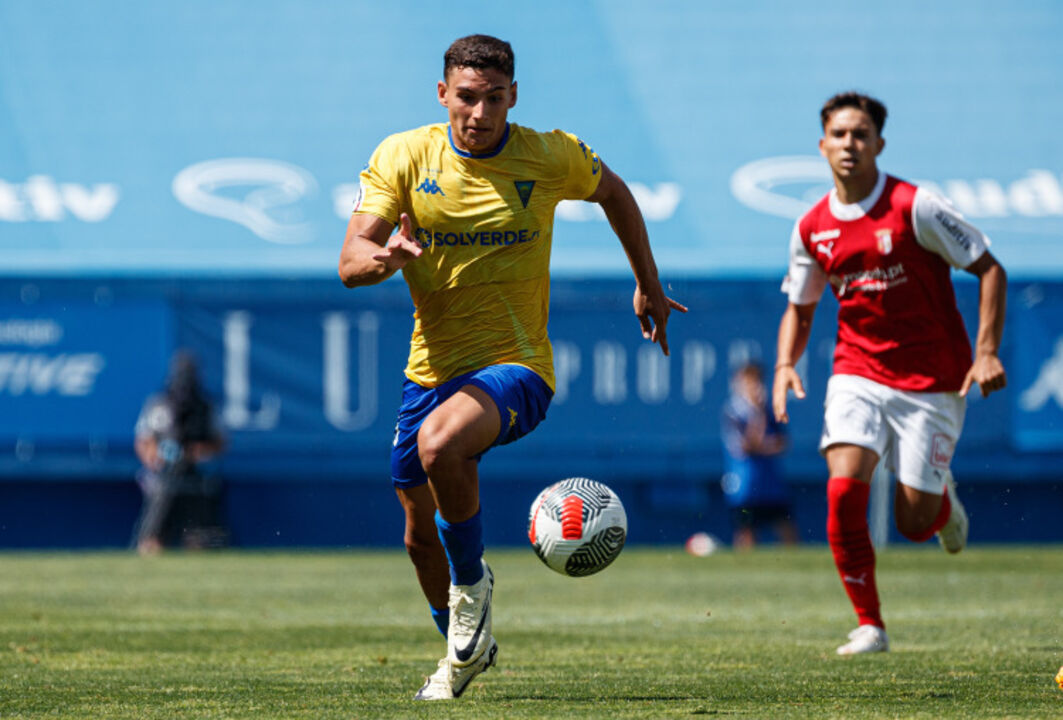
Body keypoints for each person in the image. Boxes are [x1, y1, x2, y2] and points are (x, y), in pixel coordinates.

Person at [338, 34, 685, 700]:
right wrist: (390, 258)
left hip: (517, 366)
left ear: (512, 98)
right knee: (416, 535)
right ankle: (463, 645)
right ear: (443, 94)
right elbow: (351, 262)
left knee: (442, 446)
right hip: (429, 370)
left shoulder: (548, 153)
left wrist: (646, 281)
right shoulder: (404, 156)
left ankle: (472, 589)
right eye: (466, 97)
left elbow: (615, 194)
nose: (479, 112)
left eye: (493, 98)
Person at [772, 91, 1007, 655]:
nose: (849, 144)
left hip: (933, 381)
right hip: (857, 371)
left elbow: (990, 268)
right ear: (822, 145)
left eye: (860, 134)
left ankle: (943, 507)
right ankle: (869, 624)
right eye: (839, 134)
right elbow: (801, 307)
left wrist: (987, 350)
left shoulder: (915, 206)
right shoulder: (811, 227)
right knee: (843, 489)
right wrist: (785, 363)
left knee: (912, 521)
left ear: (879, 143)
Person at [133, 351, 227, 555]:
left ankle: (198, 546)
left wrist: (199, 451)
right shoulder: (159, 404)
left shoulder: (205, 407)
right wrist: (154, 455)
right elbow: (144, 439)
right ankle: (152, 544)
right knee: (158, 511)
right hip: (164, 476)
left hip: (195, 475)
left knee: (202, 533)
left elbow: (220, 441)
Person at [720, 362, 798, 549]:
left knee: (787, 530)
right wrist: (758, 416)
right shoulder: (734, 412)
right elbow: (748, 446)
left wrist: (764, 443)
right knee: (746, 532)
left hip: (771, 485)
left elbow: (783, 443)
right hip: (745, 487)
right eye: (748, 382)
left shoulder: (770, 411)